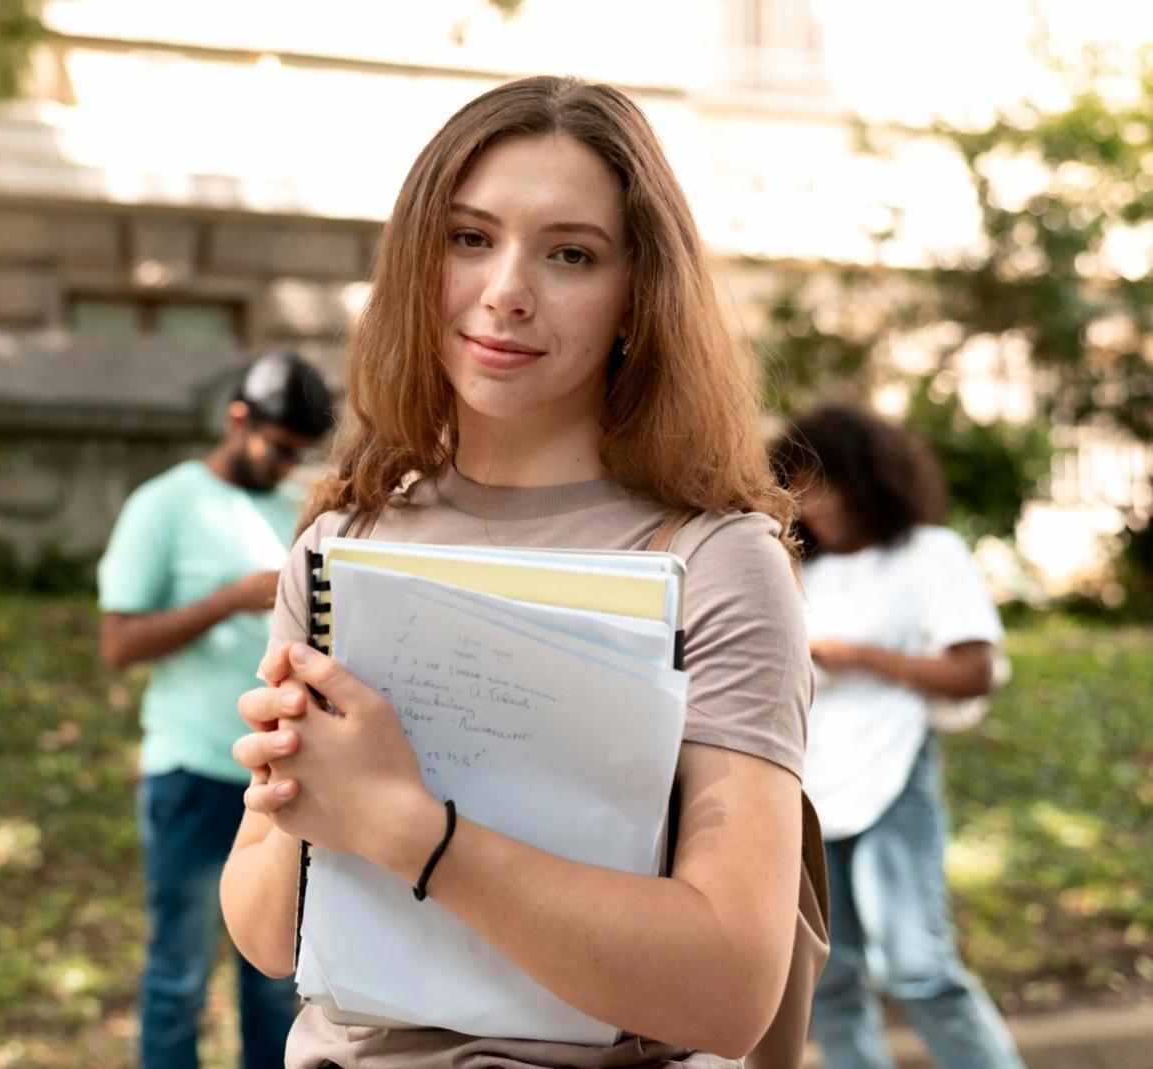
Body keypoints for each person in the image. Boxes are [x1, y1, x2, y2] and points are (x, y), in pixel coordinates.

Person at [219, 76, 815, 1069]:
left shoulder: (713, 561)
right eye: (468, 238)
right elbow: (267, 935)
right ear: (419, 262)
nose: (507, 291)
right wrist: (298, 801)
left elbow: (732, 989)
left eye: (571, 253)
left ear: (637, 295)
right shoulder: (341, 540)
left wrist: (410, 829)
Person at [98, 350, 335, 1069]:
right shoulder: (164, 505)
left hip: (277, 784)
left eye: (302, 453)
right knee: (179, 976)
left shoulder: (300, 511)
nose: (288, 463)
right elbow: (118, 641)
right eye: (280, 448)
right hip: (192, 775)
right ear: (239, 419)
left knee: (272, 983)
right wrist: (229, 600)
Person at [771, 405, 1024, 1069]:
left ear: (868, 479)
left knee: (919, 967)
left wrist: (862, 656)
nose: (812, 504)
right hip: (810, 792)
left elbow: (973, 671)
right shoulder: (794, 568)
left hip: (894, 779)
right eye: (797, 488)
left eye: (824, 484)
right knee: (830, 979)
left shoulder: (927, 553)